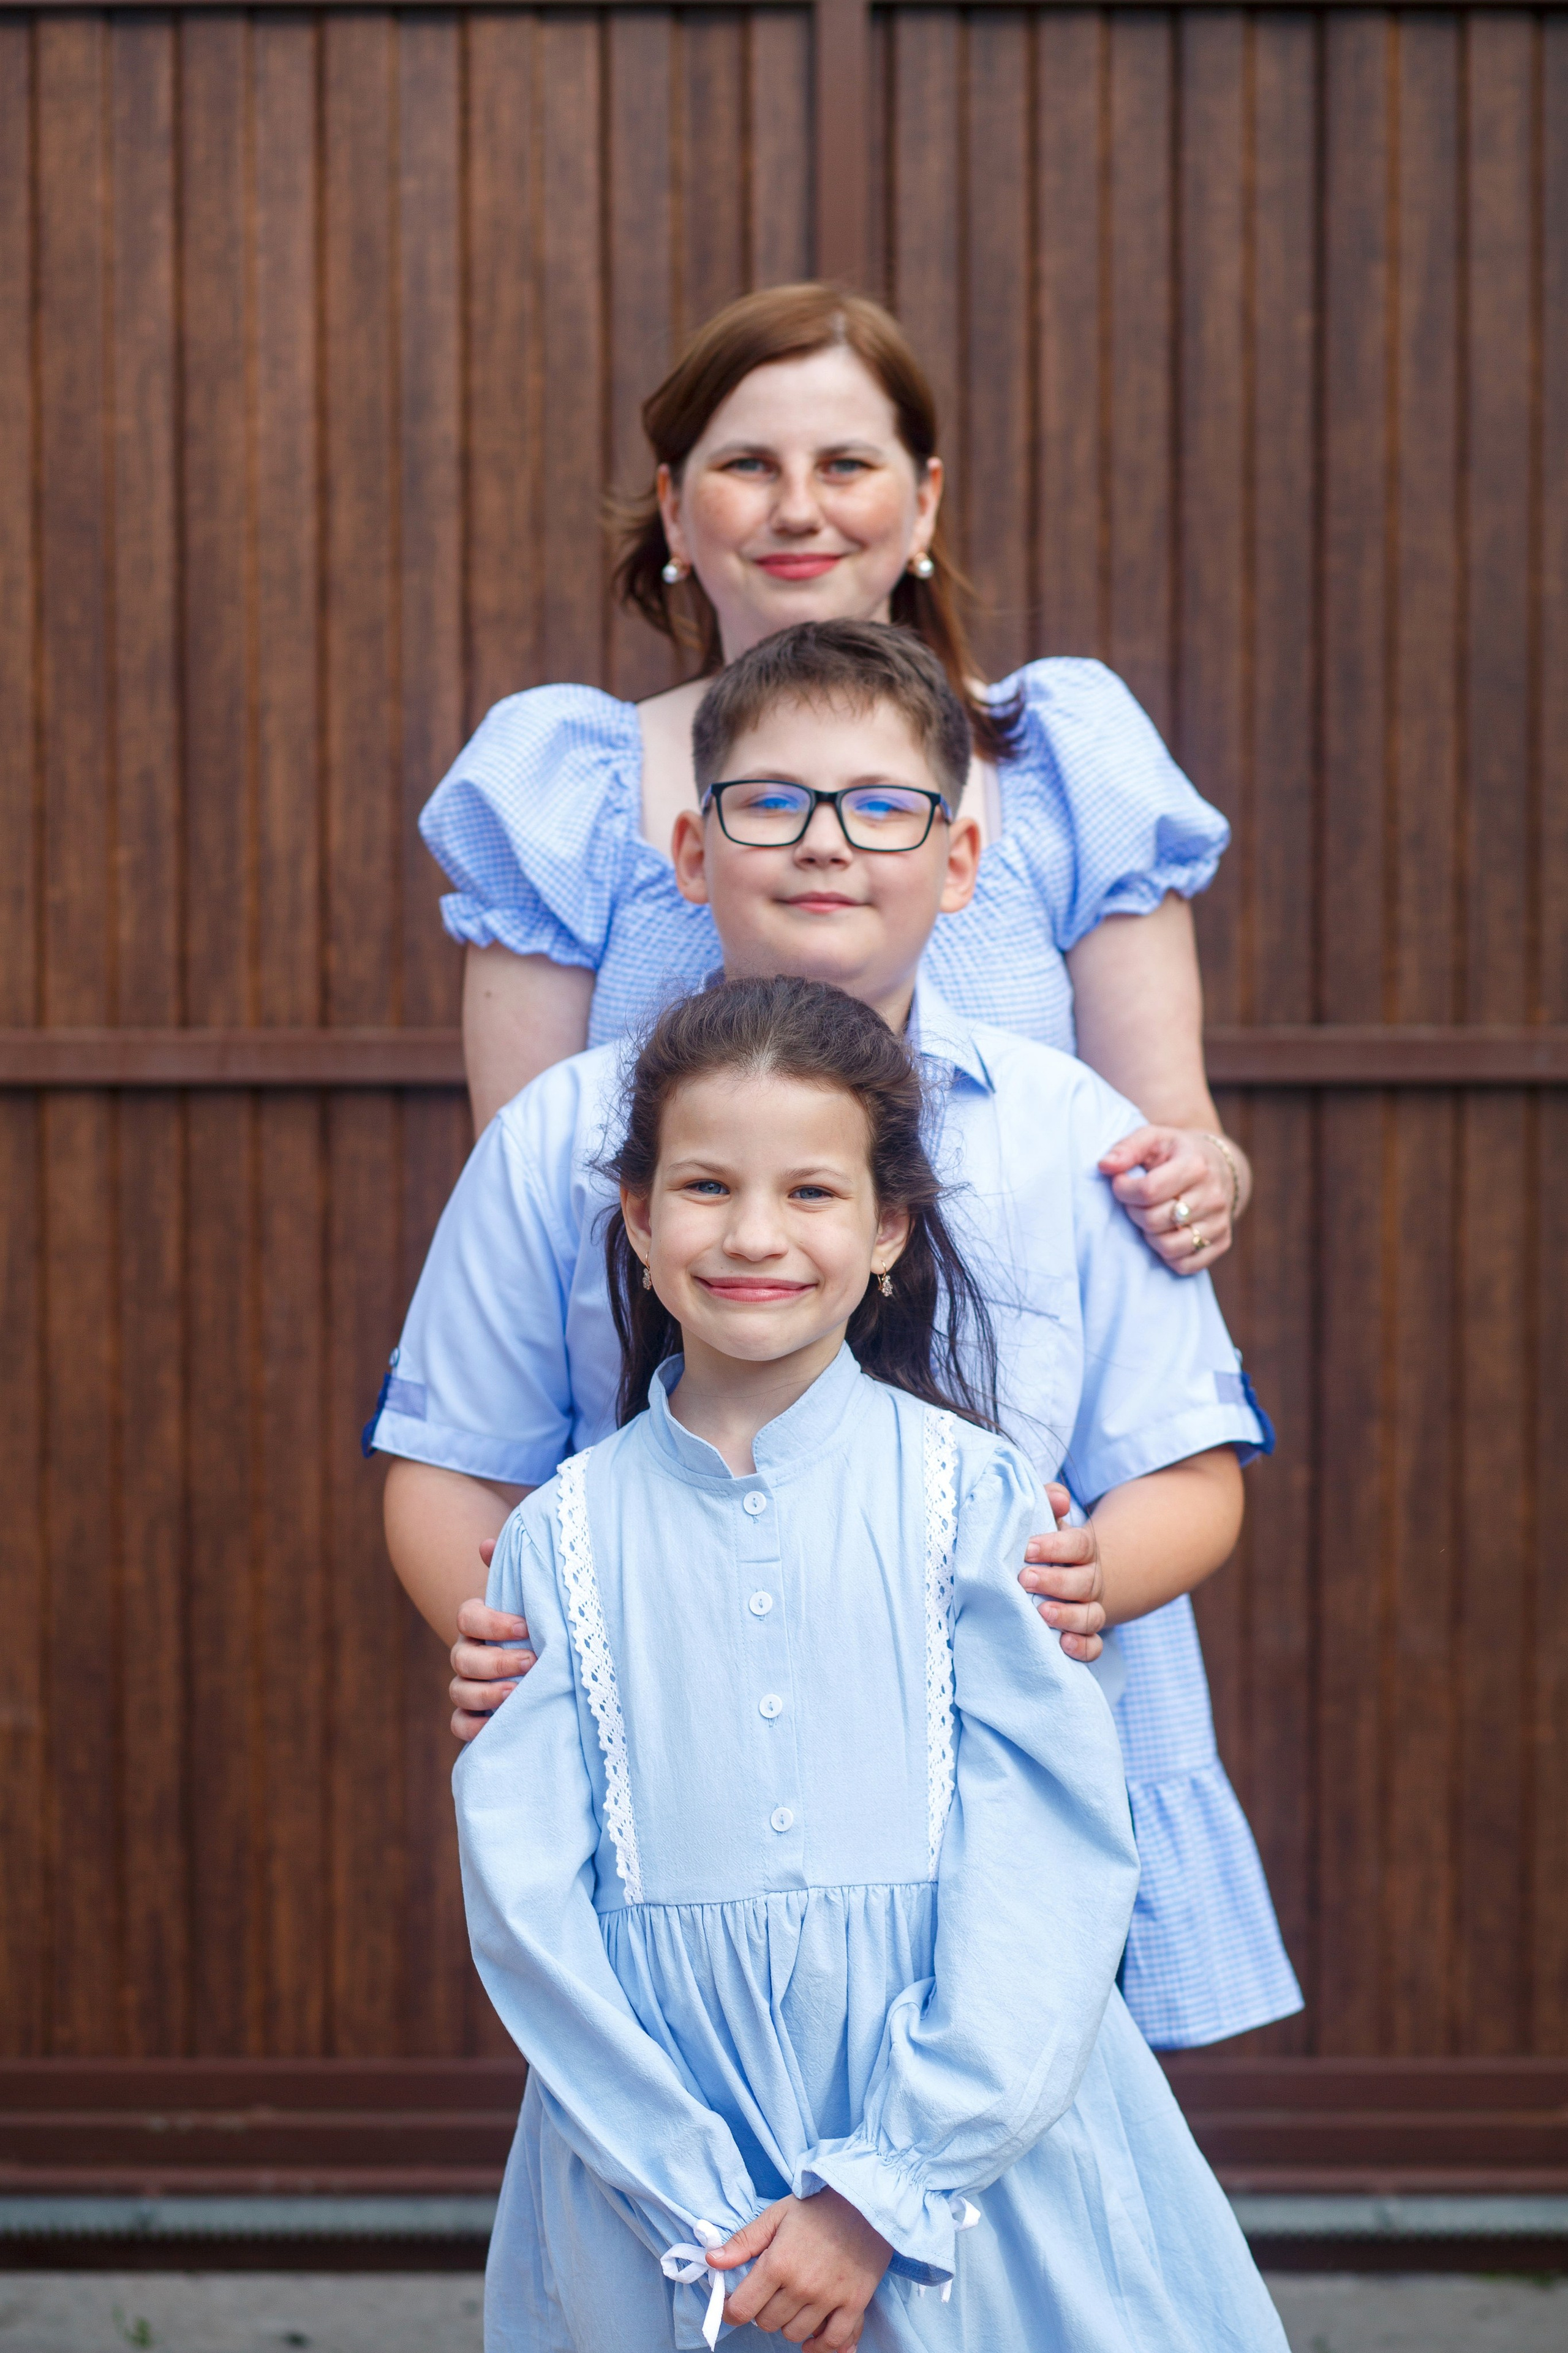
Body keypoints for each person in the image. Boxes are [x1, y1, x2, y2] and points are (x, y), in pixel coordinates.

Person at [374, 622, 1301, 2050]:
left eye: (882, 807)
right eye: (769, 804)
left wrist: (1077, 1577)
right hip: (677, 1791)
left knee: (989, 2200)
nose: (825, 844)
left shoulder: (1071, 1140)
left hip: (992, 1788)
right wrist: (504, 1637)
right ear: (691, 853)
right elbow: (449, 1461)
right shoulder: (561, 1138)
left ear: (959, 861)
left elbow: (1190, 1470)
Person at [454, 974, 1290, 2352]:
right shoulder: (556, 1542)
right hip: (656, 2192)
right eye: (706, 1186)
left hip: (977, 2174)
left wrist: (879, 2192)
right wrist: (704, 2210)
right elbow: (529, 1912)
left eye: (812, 1193)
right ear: (639, 1222)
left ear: (889, 1228)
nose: (754, 1234)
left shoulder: (980, 1503)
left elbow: (1050, 1858)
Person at [424, 282, 1250, 1277]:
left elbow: (1175, 1131)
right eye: (749, 466)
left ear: (923, 502)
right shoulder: (565, 785)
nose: (800, 508)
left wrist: (1205, 1177)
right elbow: (523, 1205)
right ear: (676, 511)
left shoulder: (1063, 757)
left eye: (846, 465)